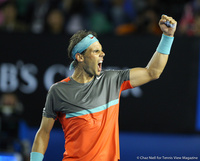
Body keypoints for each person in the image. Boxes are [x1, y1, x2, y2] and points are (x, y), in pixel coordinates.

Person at [30, 14, 177, 161]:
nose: (102, 54)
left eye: (101, 50)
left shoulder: (112, 80)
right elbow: (43, 132)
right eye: (95, 51)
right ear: (80, 57)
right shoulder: (58, 91)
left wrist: (167, 36)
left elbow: (153, 72)